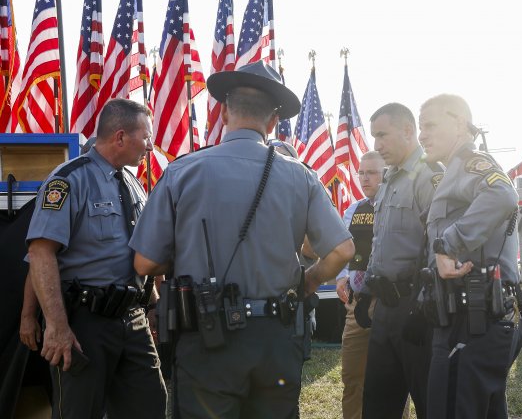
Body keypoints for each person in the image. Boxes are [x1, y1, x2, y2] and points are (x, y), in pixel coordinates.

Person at [130, 61, 355, 419]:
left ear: (223, 112)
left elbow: (144, 263)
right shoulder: (301, 176)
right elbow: (343, 249)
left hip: (208, 338)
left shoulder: (183, 171)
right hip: (278, 337)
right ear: (273, 122)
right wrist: (308, 281)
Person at [25, 98, 166, 419]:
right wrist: (57, 327)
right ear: (120, 136)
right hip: (84, 324)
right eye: (146, 138)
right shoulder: (68, 180)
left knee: (150, 406)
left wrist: (154, 304)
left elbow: (132, 253)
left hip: (133, 319)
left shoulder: (132, 183)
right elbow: (40, 254)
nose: (150, 147)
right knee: (80, 411)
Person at [418, 94, 522, 419]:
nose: (422, 135)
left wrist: (448, 245)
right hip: (467, 319)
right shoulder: (452, 171)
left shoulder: (471, 163)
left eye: (430, 125)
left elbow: (503, 194)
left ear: (459, 124)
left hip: (471, 321)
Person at [361, 103, 443, 419]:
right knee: (378, 404)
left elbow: (440, 249)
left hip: (417, 310)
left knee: (428, 403)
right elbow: (380, 243)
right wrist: (368, 289)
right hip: (385, 308)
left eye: (382, 135)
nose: (376, 145)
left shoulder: (429, 176)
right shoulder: (390, 179)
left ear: (408, 131)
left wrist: (423, 307)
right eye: (373, 137)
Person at [335, 151, 385, 419]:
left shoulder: (401, 208)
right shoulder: (354, 210)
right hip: (358, 305)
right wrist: (341, 275)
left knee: (392, 379)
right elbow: (345, 248)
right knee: (352, 377)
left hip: (392, 303)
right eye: (362, 173)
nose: (365, 178)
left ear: (386, 174)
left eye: (372, 172)